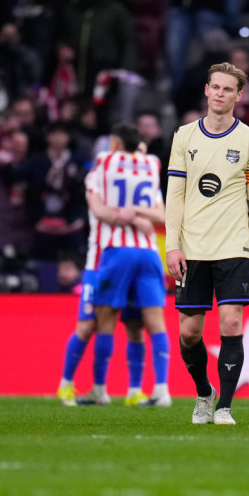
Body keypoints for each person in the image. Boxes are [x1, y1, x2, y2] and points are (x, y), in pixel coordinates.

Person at [165, 62, 249, 425]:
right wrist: (172, 246)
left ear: (239, 96)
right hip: (192, 248)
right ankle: (203, 392)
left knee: (231, 322)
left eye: (228, 89)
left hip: (234, 246)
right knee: (189, 333)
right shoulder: (184, 136)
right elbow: (175, 195)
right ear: (207, 90)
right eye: (216, 87)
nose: (221, 93)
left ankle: (224, 407)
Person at [84, 123, 171, 407]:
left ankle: (100, 389)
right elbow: (162, 216)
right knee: (155, 322)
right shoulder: (152, 164)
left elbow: (100, 209)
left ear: (116, 144)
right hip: (148, 253)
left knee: (106, 320)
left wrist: (125, 214)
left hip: (116, 251)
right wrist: (138, 215)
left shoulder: (104, 162)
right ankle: (162, 390)